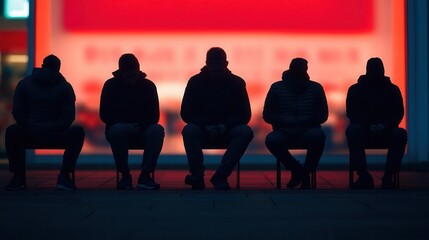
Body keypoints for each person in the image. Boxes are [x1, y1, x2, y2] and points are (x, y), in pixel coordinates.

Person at [4, 54, 85, 191]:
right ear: (58, 69)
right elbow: (68, 117)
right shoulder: (65, 87)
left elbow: (18, 112)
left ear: (42, 66)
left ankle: (18, 177)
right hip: (56, 134)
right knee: (78, 132)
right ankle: (64, 176)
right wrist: (54, 127)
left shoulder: (24, 84)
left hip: (29, 132)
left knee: (12, 131)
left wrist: (30, 126)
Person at [180, 47, 253, 190]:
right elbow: (186, 112)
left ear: (226, 64)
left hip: (228, 129)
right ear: (207, 64)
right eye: (215, 71)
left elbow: (245, 114)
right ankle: (197, 175)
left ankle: (221, 174)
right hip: (203, 129)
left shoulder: (237, 83)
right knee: (189, 130)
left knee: (245, 132)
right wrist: (206, 125)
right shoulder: (195, 82)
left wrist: (225, 125)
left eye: (219, 71)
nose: (217, 75)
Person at [100, 53, 164, 190]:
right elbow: (104, 114)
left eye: (135, 75)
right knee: (119, 131)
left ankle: (145, 175)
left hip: (143, 129)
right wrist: (124, 125)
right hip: (118, 129)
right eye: (129, 76)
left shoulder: (148, 86)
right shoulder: (110, 86)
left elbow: (154, 116)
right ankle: (125, 174)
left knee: (157, 130)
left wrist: (139, 126)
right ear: (121, 73)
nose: (132, 79)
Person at [263, 58, 328, 189]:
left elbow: (323, 115)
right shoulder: (277, 88)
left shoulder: (315, 88)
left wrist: (308, 120)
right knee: (272, 140)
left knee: (318, 136)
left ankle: (301, 172)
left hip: (308, 130)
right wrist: (283, 120)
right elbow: (268, 115)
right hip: (284, 131)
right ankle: (300, 171)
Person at [346, 57, 407, 189]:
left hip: (386, 130)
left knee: (399, 134)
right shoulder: (356, 90)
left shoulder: (392, 90)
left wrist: (385, 125)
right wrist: (369, 125)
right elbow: (352, 113)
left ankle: (387, 176)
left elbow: (398, 113)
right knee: (353, 131)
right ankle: (364, 175)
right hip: (365, 130)